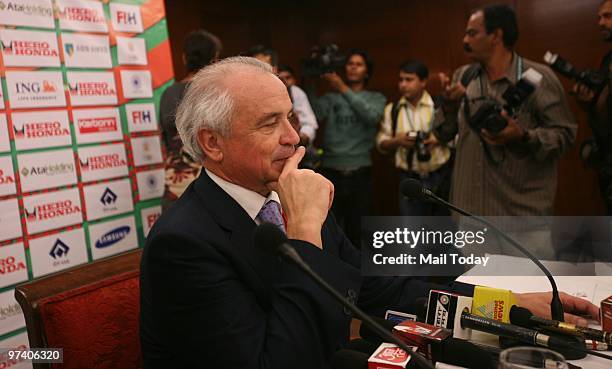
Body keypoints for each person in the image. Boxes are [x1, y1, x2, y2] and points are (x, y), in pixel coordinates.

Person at [139, 56, 599, 369]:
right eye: (268, 124)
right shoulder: (183, 246)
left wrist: (501, 306)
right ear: (211, 143)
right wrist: (303, 234)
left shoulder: (284, 193)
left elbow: (378, 287)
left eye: (290, 118)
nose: (294, 139)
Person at [434, 4, 577, 258]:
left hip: (523, 222)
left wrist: (523, 136)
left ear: (496, 36)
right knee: (480, 297)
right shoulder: (463, 77)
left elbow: (565, 136)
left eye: (472, 33)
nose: (464, 40)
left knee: (531, 296)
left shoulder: (538, 79)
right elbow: (443, 134)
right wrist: (448, 105)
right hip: (471, 219)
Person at [310, 49, 386, 247]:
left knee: (360, 231)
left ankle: (363, 276)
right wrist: (309, 80)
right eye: (350, 63)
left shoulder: (375, 98)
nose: (352, 67)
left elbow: (372, 116)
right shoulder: (331, 98)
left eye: (358, 64)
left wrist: (343, 88)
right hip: (330, 170)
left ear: (367, 72)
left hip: (360, 171)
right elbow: (312, 115)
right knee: (329, 230)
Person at [377, 60, 452, 216]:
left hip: (441, 177)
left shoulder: (438, 106)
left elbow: (458, 138)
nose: (403, 84)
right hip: (409, 180)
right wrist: (397, 141)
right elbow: (380, 143)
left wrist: (437, 139)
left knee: (443, 235)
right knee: (413, 236)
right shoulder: (393, 110)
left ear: (423, 82)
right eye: (401, 79)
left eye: (409, 79)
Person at [159, 29, 222, 210]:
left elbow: (165, 138)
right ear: (215, 60)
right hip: (213, 182)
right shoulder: (217, 92)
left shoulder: (168, 93)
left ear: (185, 58)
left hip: (176, 184)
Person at [573, 0, 612, 213]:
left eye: (608, 16)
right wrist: (589, 104)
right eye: (599, 17)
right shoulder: (607, 61)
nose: (601, 22)